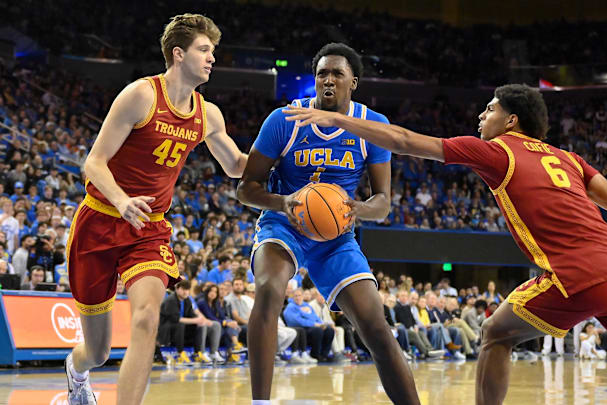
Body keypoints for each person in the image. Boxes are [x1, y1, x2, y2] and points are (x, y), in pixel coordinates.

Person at [283, 83, 607, 404]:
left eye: (489, 109)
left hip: (582, 274)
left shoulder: (497, 152)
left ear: (511, 120)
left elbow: (403, 140)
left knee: (494, 335)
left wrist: (338, 119)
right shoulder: (567, 158)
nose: (480, 116)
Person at [63, 14, 248, 405]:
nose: (212, 58)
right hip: (99, 220)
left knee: (147, 318)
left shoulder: (208, 114)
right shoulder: (140, 95)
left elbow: (235, 166)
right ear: (178, 55)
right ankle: (77, 370)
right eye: (204, 50)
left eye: (213, 51)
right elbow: (94, 162)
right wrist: (121, 200)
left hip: (148, 229)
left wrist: (284, 154)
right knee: (97, 352)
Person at [236, 42, 419, 404]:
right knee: (270, 289)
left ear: (354, 82)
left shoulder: (373, 125)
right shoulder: (284, 119)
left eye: (338, 73)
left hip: (336, 234)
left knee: (376, 326)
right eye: (322, 74)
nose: (329, 80)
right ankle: (260, 402)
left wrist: (357, 209)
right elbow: (246, 188)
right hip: (283, 224)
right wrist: (283, 202)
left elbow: (382, 203)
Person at [158, 280, 223, 365]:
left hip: (181, 328)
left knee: (201, 325)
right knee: (180, 324)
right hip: (167, 330)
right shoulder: (171, 300)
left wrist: (201, 321)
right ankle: (180, 353)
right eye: (183, 289)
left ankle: (199, 353)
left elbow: (192, 314)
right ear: (177, 289)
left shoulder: (187, 300)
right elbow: (176, 319)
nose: (186, 292)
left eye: (187, 290)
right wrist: (196, 320)